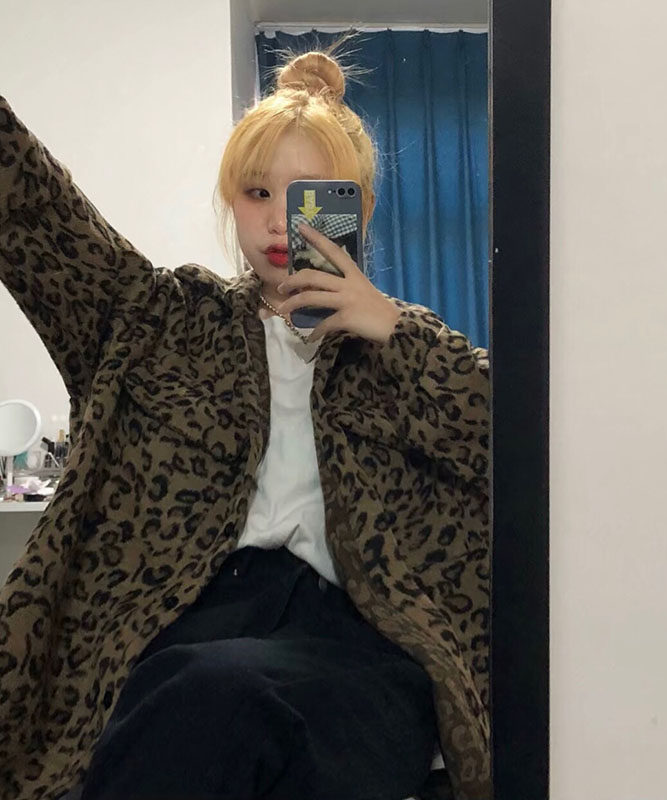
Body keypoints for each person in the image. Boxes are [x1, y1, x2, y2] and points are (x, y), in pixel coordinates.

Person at [0, 45, 490, 800]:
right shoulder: (163, 324)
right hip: (191, 623)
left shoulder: (407, 353)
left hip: (361, 647)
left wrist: (393, 329)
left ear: (356, 209)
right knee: (204, 694)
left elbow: (525, 444)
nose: (278, 220)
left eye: (308, 197)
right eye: (258, 192)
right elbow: (35, 213)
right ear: (231, 200)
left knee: (229, 701)